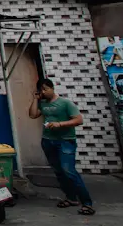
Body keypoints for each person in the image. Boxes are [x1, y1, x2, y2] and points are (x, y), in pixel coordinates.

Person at [29, 78, 94, 215]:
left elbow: (78, 119)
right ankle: (71, 198)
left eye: (46, 89)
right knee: (58, 171)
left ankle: (87, 203)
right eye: (41, 90)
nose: (44, 92)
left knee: (68, 170)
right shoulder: (43, 104)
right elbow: (33, 115)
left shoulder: (65, 103)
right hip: (48, 140)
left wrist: (60, 124)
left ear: (53, 88)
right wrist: (35, 99)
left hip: (65, 141)